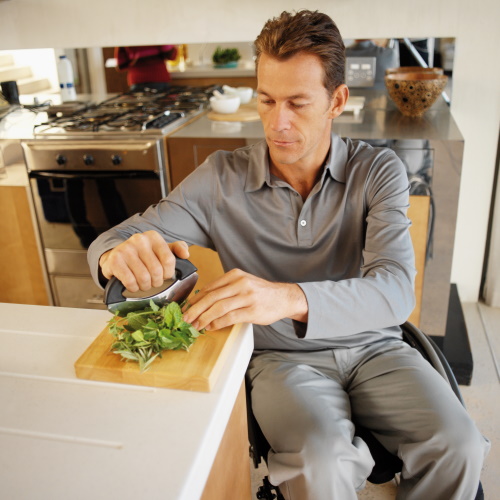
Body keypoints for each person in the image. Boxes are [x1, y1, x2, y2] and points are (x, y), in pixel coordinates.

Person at [89, 10, 489, 500]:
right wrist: (115, 257)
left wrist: (285, 297)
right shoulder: (221, 178)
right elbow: (118, 238)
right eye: (267, 100)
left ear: (336, 101)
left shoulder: (377, 171)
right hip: (279, 359)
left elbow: (396, 291)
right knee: (322, 462)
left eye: (298, 103)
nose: (278, 123)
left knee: (460, 445)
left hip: (377, 347)